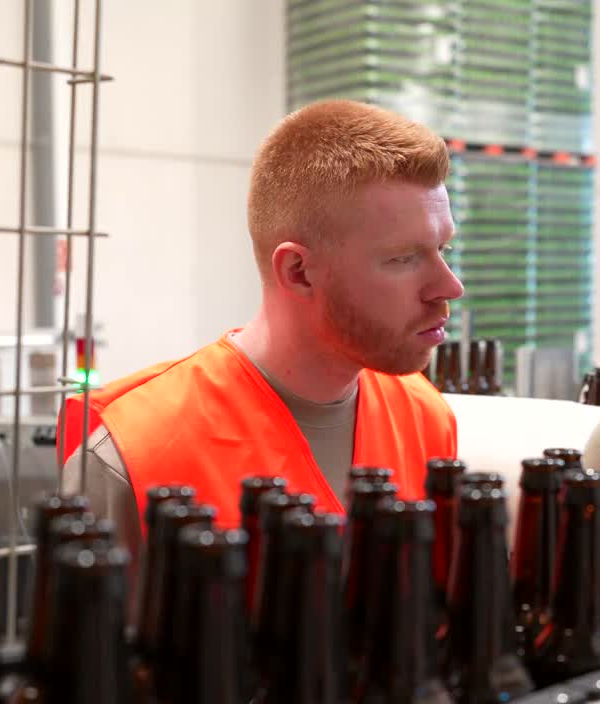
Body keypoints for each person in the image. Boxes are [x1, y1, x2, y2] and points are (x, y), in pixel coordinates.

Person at [59, 99, 465, 539]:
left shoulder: (425, 419)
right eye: (403, 258)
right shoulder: (133, 456)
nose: (449, 287)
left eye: (441, 250)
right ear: (298, 272)